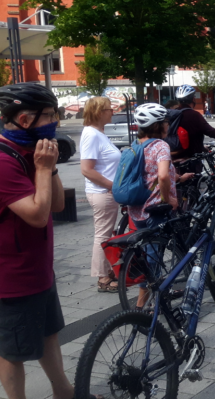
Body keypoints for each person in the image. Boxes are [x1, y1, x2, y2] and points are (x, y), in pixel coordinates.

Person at [0, 83, 86, 399]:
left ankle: (65, 393)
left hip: (36, 271)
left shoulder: (27, 153)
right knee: (14, 351)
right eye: (49, 115)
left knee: (48, 335)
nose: (56, 122)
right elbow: (36, 214)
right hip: (8, 279)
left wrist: (51, 165)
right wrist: (43, 168)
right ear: (24, 119)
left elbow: (58, 206)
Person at [128, 103, 194, 309]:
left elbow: (153, 172)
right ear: (158, 125)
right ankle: (142, 309)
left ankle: (161, 292)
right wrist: (170, 200)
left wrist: (180, 178)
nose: (168, 125)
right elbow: (163, 175)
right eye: (165, 122)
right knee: (153, 259)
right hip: (156, 209)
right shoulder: (161, 146)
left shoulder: (137, 144)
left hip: (138, 209)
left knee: (151, 253)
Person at [80, 96, 122, 293]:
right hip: (102, 192)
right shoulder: (92, 134)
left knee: (106, 232)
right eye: (108, 109)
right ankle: (102, 277)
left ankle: (107, 271)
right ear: (98, 112)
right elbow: (87, 169)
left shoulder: (98, 132)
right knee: (103, 234)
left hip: (106, 191)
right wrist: (111, 185)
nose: (112, 112)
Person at [174, 85, 215, 172]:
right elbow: (211, 132)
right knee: (194, 183)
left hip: (174, 157)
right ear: (193, 99)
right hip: (191, 158)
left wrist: (202, 146)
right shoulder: (194, 115)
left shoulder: (172, 114)